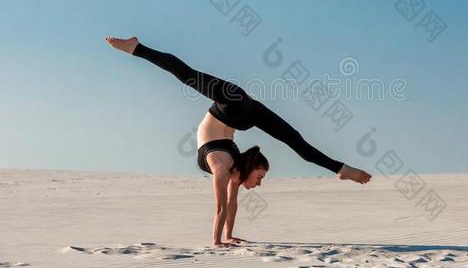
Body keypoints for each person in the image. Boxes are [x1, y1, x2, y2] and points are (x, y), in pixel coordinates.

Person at [105, 36, 372, 247]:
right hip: (236, 107)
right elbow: (226, 207)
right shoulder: (229, 166)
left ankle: (341, 169)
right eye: (260, 177)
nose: (259, 183)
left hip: (236, 107)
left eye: (260, 178)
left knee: (294, 140)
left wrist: (220, 240)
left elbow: (224, 207)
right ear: (249, 167)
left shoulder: (225, 168)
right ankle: (136, 47)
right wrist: (222, 239)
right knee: (294, 140)